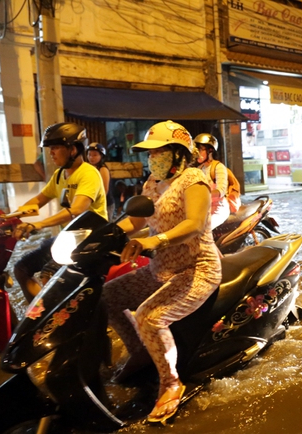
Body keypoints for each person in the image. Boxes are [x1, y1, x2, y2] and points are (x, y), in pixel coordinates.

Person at [101, 120, 221, 424]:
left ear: (179, 153)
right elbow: (137, 222)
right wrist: (105, 234)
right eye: (150, 153)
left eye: (159, 152)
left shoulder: (194, 180)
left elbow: (193, 224)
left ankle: (170, 383)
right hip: (161, 267)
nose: (152, 158)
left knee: (149, 317)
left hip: (197, 268)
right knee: (107, 296)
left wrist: (153, 241)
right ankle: (140, 352)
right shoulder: (152, 184)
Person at [13, 123, 108, 302]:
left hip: (90, 240)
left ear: (72, 149)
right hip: (68, 239)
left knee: (49, 274)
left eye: (55, 147)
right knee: (21, 269)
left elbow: (78, 209)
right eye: (50, 148)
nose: (51, 153)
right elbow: (38, 201)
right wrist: (10, 217)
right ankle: (39, 316)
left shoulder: (88, 174)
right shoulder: (59, 175)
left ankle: (59, 322)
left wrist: (39, 224)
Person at [194, 133, 230, 229]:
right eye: (197, 149)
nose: (197, 153)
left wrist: (204, 195)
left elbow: (221, 190)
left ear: (210, 150)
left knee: (204, 229)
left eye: (201, 149)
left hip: (219, 208)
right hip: (204, 208)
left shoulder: (218, 167)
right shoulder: (199, 169)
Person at [86, 142, 114, 220]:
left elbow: (105, 190)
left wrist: (96, 203)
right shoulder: (88, 168)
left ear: (101, 156)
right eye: (89, 154)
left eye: (95, 155)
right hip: (93, 204)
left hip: (105, 204)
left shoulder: (103, 169)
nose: (91, 157)